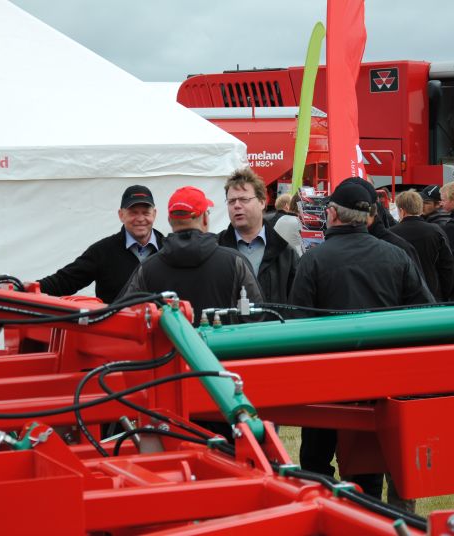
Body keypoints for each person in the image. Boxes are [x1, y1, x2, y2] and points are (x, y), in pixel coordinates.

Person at [289, 180, 434, 501]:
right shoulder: (396, 257)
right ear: (369, 217)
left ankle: (328, 514)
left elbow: (298, 327)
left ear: (332, 214)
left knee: (315, 463)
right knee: (369, 471)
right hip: (382, 382)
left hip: (326, 386)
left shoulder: (313, 260)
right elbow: (426, 315)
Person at [119, 186, 262, 326]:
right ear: (205, 218)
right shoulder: (235, 262)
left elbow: (123, 318)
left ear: (169, 220)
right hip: (224, 342)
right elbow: (258, 320)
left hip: (168, 343)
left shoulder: (147, 268)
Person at [38, 185, 164, 303]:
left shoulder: (168, 250)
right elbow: (65, 281)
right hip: (114, 320)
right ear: (121, 215)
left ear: (154, 214)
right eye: (133, 213)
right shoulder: (102, 251)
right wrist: (30, 288)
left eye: (145, 213)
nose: (140, 219)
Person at [218, 169, 298, 304]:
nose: (236, 206)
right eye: (231, 201)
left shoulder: (286, 254)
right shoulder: (216, 248)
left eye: (244, 199)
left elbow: (295, 306)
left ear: (262, 202)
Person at [391, 190, 454, 301]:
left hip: (402, 294)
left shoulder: (391, 234)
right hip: (432, 292)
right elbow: (447, 265)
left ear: (401, 211)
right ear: (420, 209)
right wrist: (444, 293)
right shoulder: (435, 231)